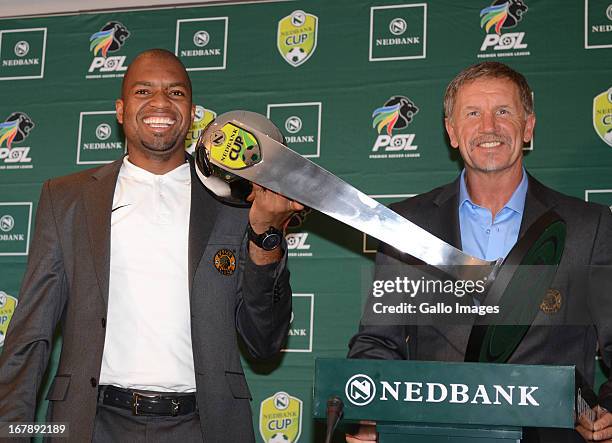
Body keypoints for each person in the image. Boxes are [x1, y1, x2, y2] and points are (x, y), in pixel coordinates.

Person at [0, 48, 303, 442]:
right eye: (144, 91)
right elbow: (30, 336)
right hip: (92, 426)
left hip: (204, 427)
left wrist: (265, 236)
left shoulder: (235, 204)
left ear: (193, 114)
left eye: (175, 93)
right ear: (121, 110)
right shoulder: (67, 199)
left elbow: (265, 340)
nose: (160, 102)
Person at [346, 61, 612, 443]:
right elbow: (378, 343)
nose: (489, 127)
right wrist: (372, 417)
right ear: (452, 132)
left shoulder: (591, 226)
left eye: (503, 111)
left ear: (529, 126)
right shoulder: (408, 225)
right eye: (473, 114)